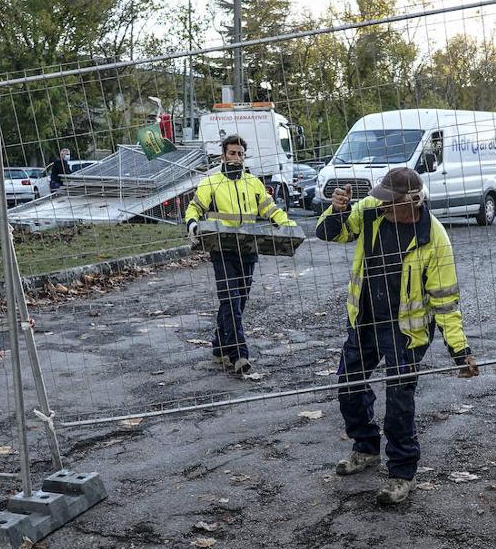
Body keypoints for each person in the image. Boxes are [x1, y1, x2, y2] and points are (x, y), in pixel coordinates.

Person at [316, 168, 479, 506]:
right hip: (365, 320)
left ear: (412, 201)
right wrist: (338, 210)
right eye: (382, 198)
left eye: (390, 201)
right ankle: (365, 447)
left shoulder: (434, 239)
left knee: (399, 402)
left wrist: (459, 349)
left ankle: (402, 472)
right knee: (348, 384)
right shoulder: (372, 211)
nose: (382, 204)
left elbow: (446, 302)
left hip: (407, 331)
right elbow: (329, 234)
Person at [184, 134, 296, 374]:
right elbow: (195, 207)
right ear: (223, 155)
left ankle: (218, 346)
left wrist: (287, 226)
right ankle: (239, 355)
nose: (237, 158)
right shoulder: (210, 183)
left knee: (238, 302)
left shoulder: (253, 183)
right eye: (232, 153)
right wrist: (192, 224)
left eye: (241, 154)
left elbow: (270, 209)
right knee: (231, 301)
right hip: (222, 250)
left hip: (248, 249)